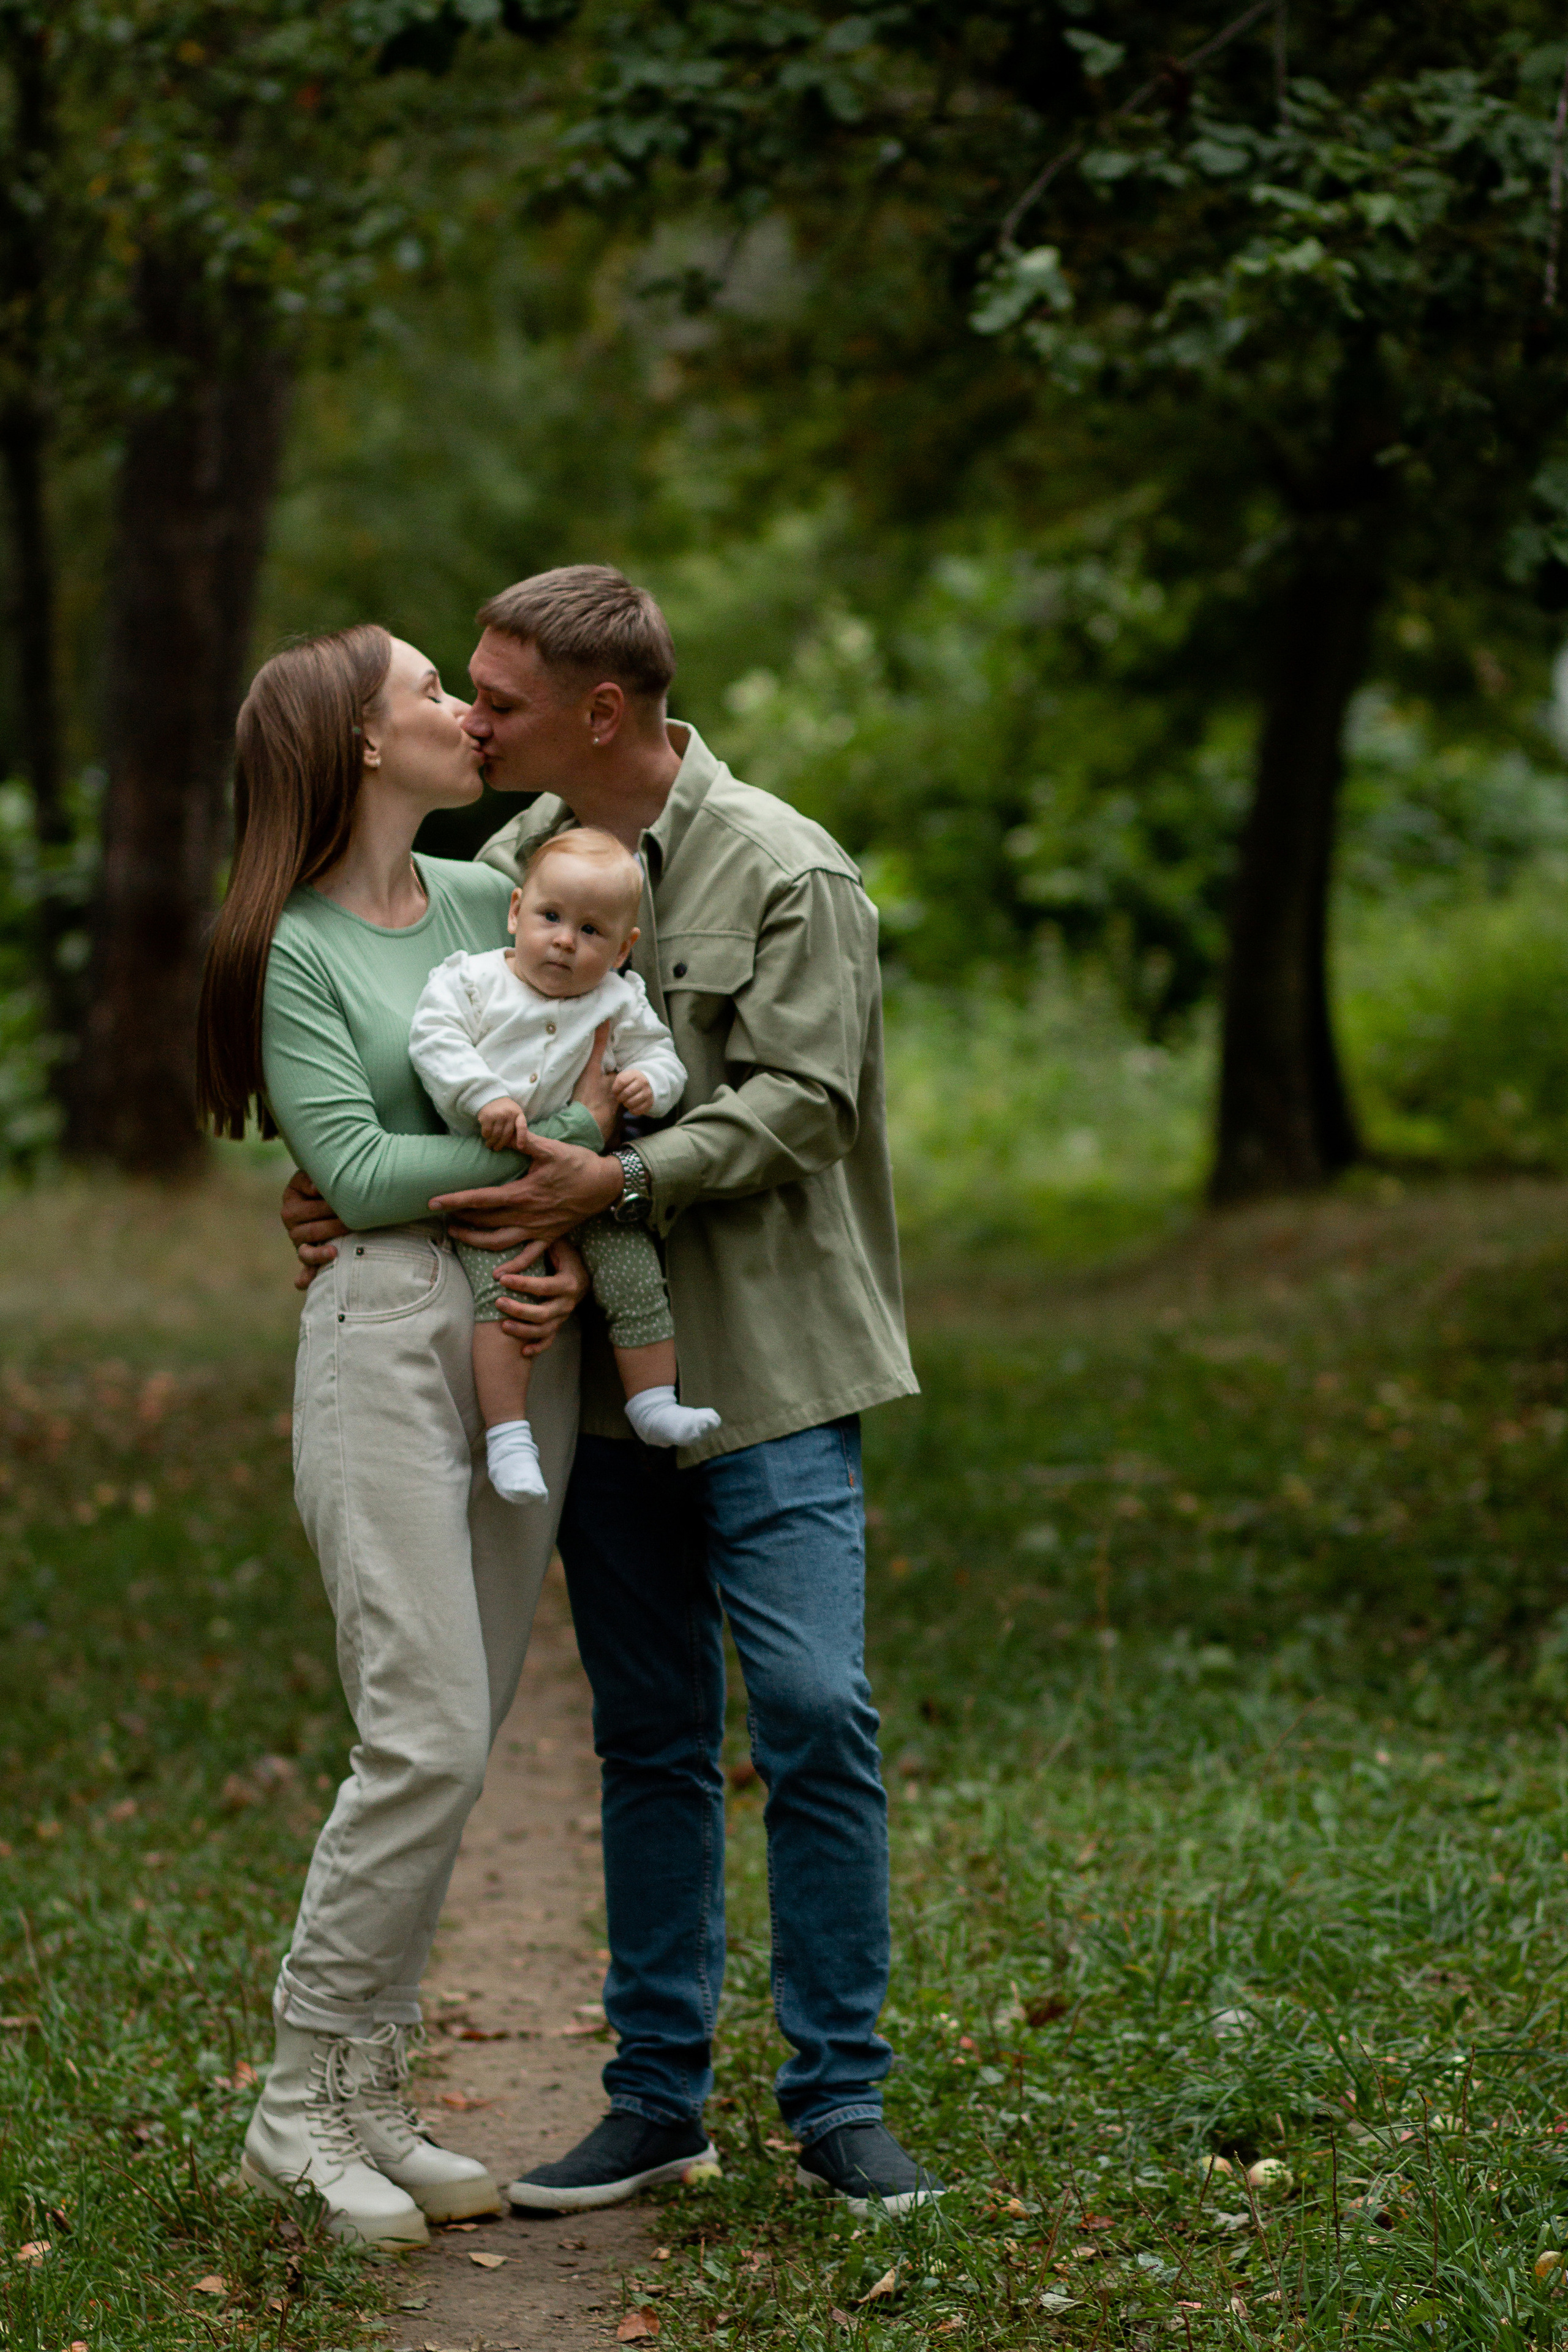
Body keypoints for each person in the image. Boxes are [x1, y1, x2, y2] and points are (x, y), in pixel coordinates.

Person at [284, 565, 941, 2220]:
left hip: (770, 1362)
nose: (472, 720)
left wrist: (614, 1189)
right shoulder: (504, 870)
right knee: (648, 1734)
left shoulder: (790, 870)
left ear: (599, 711)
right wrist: (335, 1185)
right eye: (463, 696)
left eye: (497, 698)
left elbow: (808, 1107)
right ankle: (658, 2099)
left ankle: (842, 2102)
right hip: (587, 1368)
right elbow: (384, 1048)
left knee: (806, 1706)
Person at [197, 624, 610, 2245]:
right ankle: (295, 2112)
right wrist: (525, 1172)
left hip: (529, 1342)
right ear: (363, 743)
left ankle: (373, 2092)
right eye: (433, 691)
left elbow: (577, 1088)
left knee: (462, 1735)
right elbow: (356, 1179)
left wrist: (563, 1191)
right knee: (422, 1732)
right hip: (379, 1338)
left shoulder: (483, 908)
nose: (465, 712)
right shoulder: (288, 947)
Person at [408, 824, 720, 1505]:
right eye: (550, 917)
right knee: (506, 1291)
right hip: (493, 1183)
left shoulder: (618, 999)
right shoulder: (472, 979)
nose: (564, 941)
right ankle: (509, 1435)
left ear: (622, 949)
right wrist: (481, 1093)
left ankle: (651, 1401)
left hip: (587, 1185)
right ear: (517, 911)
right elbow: (433, 1040)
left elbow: (660, 1055)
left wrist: (652, 1083)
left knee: (634, 1271)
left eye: (590, 931)